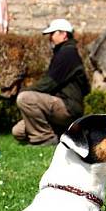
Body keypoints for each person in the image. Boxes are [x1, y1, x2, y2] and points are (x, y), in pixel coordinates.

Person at [11, 18, 90, 146]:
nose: (50, 38)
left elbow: (48, 83)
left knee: (25, 98)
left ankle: (45, 139)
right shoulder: (63, 52)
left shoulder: (68, 53)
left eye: (52, 34)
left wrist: (24, 91)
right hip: (60, 105)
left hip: (68, 107)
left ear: (63, 34)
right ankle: (59, 133)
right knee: (18, 131)